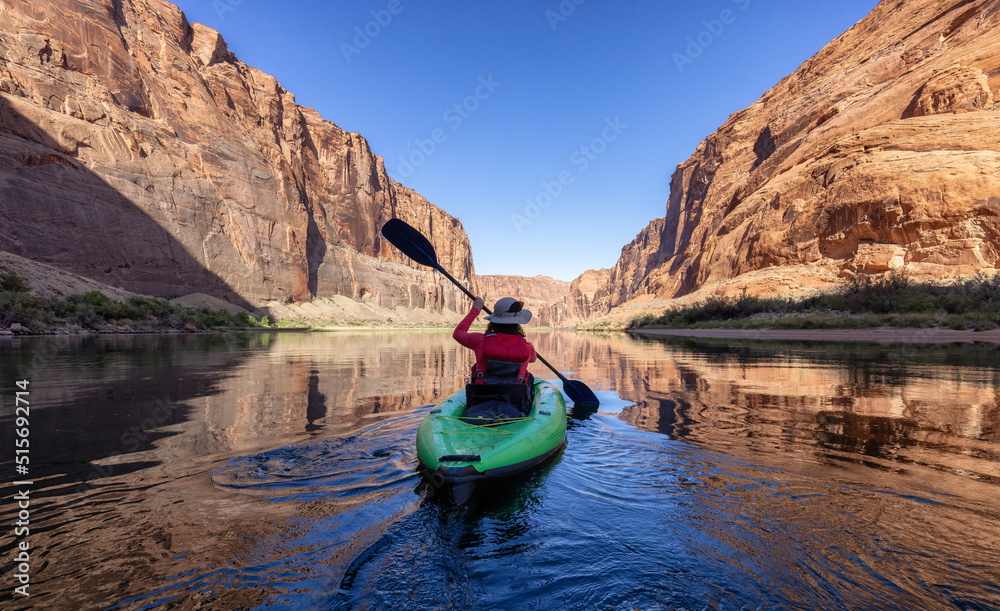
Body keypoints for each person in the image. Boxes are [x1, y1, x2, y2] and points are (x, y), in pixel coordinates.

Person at [453, 296, 537, 419]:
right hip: (514, 403)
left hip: (479, 399)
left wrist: (475, 310)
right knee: (529, 378)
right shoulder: (527, 347)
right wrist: (530, 346)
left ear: (494, 320)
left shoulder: (479, 341)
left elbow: (458, 333)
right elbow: (533, 359)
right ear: (517, 323)